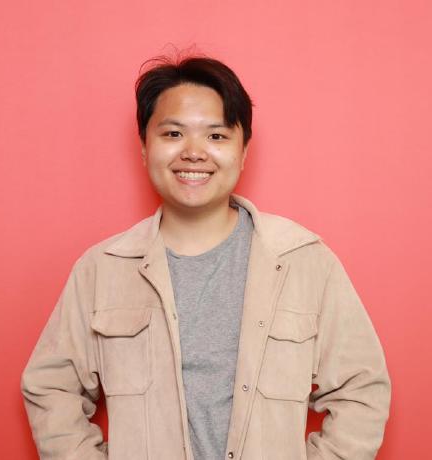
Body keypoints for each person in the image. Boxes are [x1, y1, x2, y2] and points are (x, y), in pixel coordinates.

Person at [21, 54, 391, 460]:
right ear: (144, 148)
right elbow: (51, 387)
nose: (194, 152)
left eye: (216, 136)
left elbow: (362, 390)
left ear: (244, 151)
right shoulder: (102, 269)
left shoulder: (304, 262)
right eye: (173, 133)